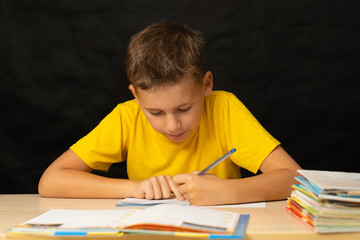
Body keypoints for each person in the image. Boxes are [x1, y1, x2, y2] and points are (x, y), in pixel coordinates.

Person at [38, 21, 301, 206]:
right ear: (136, 96)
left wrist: (228, 192)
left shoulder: (224, 109)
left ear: (206, 84)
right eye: (155, 112)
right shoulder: (126, 117)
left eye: (184, 108)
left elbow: (296, 180)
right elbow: (50, 182)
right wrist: (134, 188)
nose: (173, 125)